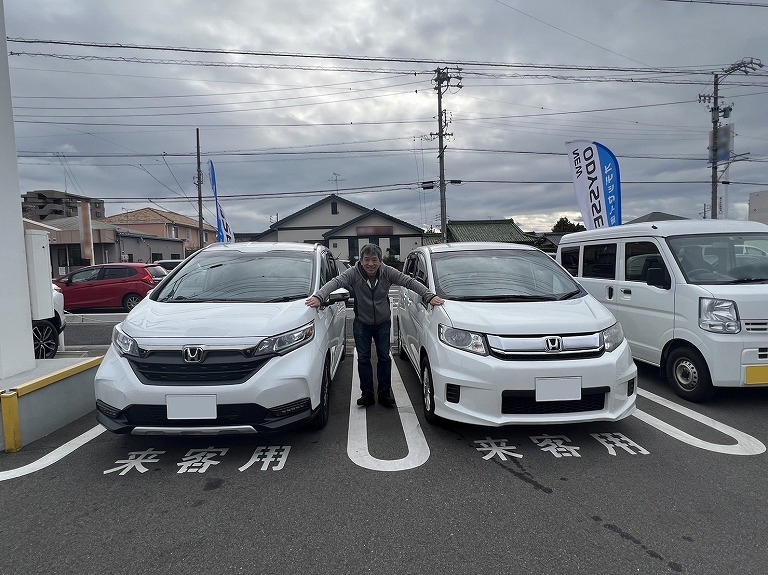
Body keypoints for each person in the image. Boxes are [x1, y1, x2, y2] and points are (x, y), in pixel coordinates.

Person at [306, 243, 444, 408]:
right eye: (366, 260)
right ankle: (367, 394)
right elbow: (335, 282)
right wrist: (319, 297)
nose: (370, 264)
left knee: (384, 358)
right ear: (361, 260)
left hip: (383, 324)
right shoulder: (353, 273)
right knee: (363, 359)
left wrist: (429, 296)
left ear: (380, 261)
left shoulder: (387, 272)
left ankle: (384, 393)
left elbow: (409, 281)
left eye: (374, 260)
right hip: (361, 324)